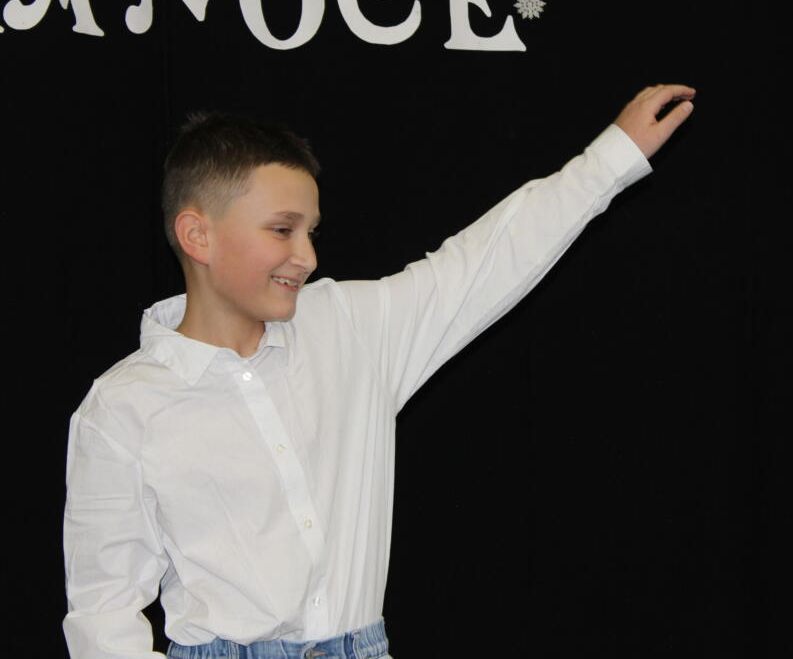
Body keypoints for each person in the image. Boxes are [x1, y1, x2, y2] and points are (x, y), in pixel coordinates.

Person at [62, 84, 697, 659]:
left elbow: (479, 265)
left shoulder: (348, 329)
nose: (306, 256)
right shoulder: (124, 407)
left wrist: (609, 161)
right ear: (197, 236)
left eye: (311, 232)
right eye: (282, 230)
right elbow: (102, 615)